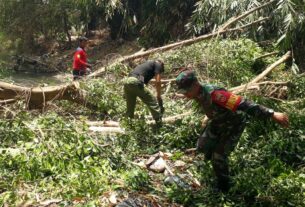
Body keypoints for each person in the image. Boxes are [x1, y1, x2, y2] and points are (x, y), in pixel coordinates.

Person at [175, 70, 289, 192]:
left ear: (196, 84)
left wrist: (271, 114)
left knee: (218, 157)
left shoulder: (216, 95)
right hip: (218, 121)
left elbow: (244, 104)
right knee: (202, 145)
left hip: (234, 124)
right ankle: (209, 164)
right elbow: (203, 102)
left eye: (187, 91)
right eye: (184, 92)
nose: (186, 95)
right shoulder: (196, 92)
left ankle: (224, 187)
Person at [123, 59, 165, 124]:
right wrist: (158, 95)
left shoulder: (146, 66)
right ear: (161, 65)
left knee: (130, 108)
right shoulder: (158, 64)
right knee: (152, 101)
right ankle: (159, 123)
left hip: (127, 82)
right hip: (134, 81)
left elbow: (138, 78)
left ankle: (128, 125)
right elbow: (158, 81)